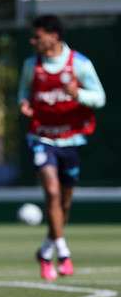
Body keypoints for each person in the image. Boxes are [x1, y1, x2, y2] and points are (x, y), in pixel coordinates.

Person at [18, 14, 105, 282]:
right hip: (41, 138)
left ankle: (45, 252)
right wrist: (23, 104)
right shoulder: (31, 65)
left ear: (53, 35)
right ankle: (64, 254)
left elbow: (100, 98)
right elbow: (23, 92)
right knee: (52, 193)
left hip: (71, 140)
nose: (33, 41)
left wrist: (77, 94)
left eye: (38, 36)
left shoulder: (79, 64)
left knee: (64, 204)